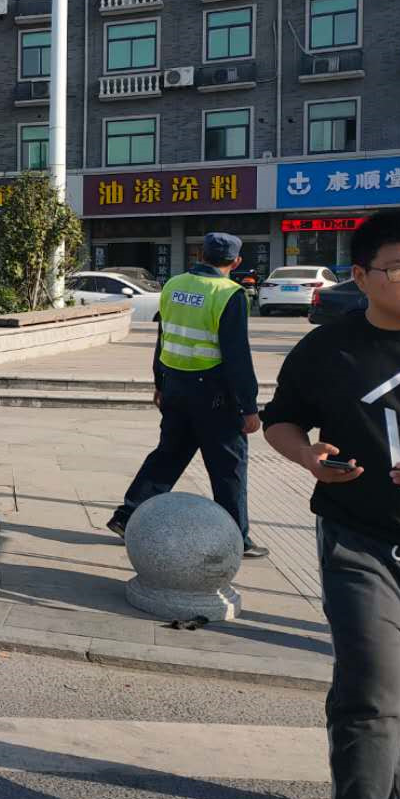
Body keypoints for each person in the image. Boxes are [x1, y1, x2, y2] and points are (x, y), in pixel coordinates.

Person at [263, 209, 400, 799]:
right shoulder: (327, 347)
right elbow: (281, 421)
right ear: (361, 275)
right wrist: (306, 455)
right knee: (371, 689)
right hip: (359, 539)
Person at [107, 232, 267, 557]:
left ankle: (128, 515)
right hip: (214, 394)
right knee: (228, 466)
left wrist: (159, 383)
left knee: (169, 454)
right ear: (236, 262)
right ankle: (236, 537)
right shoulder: (229, 294)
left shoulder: (174, 285)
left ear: (200, 255)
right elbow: (237, 356)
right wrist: (248, 406)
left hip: (175, 385)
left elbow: (163, 337)